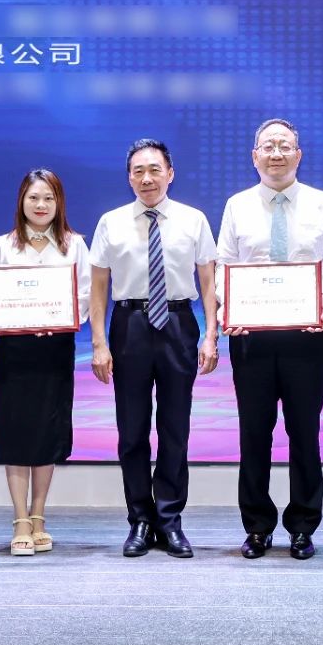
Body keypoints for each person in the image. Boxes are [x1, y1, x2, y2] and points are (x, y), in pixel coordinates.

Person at [216, 119, 323, 560]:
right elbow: (223, 263)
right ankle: (257, 527)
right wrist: (228, 307)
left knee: (304, 431)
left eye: (285, 146)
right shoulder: (237, 205)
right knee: (254, 432)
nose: (277, 153)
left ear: (299, 154)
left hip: (307, 334)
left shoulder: (322, 203)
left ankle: (303, 526)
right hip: (251, 336)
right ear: (254, 156)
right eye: (268, 146)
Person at [88, 139, 219, 558]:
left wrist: (211, 334)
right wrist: (99, 343)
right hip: (130, 324)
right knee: (132, 430)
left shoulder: (193, 220)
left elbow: (208, 281)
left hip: (179, 323)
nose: (147, 178)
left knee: (175, 428)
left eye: (155, 169)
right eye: (138, 171)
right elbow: (98, 287)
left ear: (170, 173)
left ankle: (170, 519)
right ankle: (140, 521)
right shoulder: (111, 222)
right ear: (129, 177)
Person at [0, 168, 90, 555]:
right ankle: (20, 518)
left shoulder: (75, 245)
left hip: (56, 349)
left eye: (48, 198)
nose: (41, 205)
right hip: (15, 351)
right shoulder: (3, 246)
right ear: (21, 201)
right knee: (16, 431)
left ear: (59, 203)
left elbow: (85, 296)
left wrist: (55, 320)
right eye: (33, 197)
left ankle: (39, 516)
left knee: (47, 431)